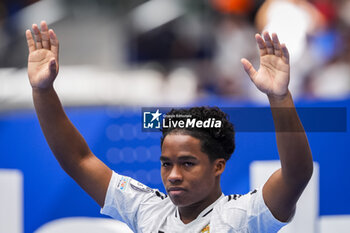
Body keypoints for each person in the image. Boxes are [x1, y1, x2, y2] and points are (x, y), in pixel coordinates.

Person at [26, 21, 313, 232]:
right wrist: (42, 90)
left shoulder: (244, 216)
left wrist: (279, 97)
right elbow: (78, 160)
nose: (173, 175)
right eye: (166, 164)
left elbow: (296, 174)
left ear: (218, 166)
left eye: (188, 163)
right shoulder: (147, 210)